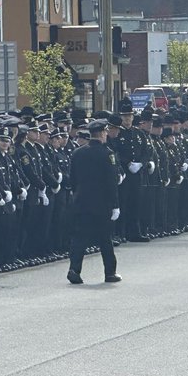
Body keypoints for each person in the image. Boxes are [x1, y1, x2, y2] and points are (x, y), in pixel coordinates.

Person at [66, 120, 121, 285]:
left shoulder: (77, 153)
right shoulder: (107, 153)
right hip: (101, 203)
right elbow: (111, 182)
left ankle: (74, 269)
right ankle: (110, 272)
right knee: (105, 239)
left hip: (81, 202)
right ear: (103, 133)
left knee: (79, 238)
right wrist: (115, 204)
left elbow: (73, 179)